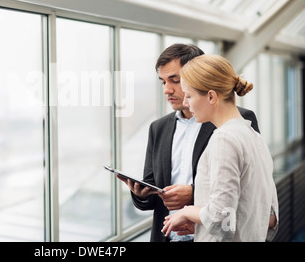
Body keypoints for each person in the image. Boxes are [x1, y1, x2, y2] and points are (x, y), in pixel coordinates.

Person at [119, 44, 259, 242]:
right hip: (167, 237)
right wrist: (141, 194)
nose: (167, 90)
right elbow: (151, 199)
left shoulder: (236, 123)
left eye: (175, 80)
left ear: (196, 76)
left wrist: (193, 194)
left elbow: (250, 191)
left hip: (213, 236)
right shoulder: (158, 128)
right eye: (163, 82)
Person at [161, 54, 279, 241]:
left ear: (211, 96)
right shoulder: (253, 136)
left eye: (189, 95)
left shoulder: (224, 139)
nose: (185, 103)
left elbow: (220, 221)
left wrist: (188, 211)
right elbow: (270, 218)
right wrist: (202, 223)